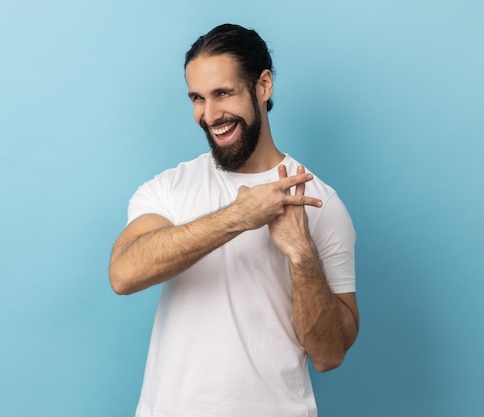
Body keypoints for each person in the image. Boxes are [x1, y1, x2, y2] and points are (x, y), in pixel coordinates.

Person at [109, 23, 359, 417]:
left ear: (263, 86)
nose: (209, 115)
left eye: (223, 93)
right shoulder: (169, 189)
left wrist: (301, 255)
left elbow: (329, 356)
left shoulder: (320, 202)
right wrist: (239, 217)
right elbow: (123, 274)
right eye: (197, 98)